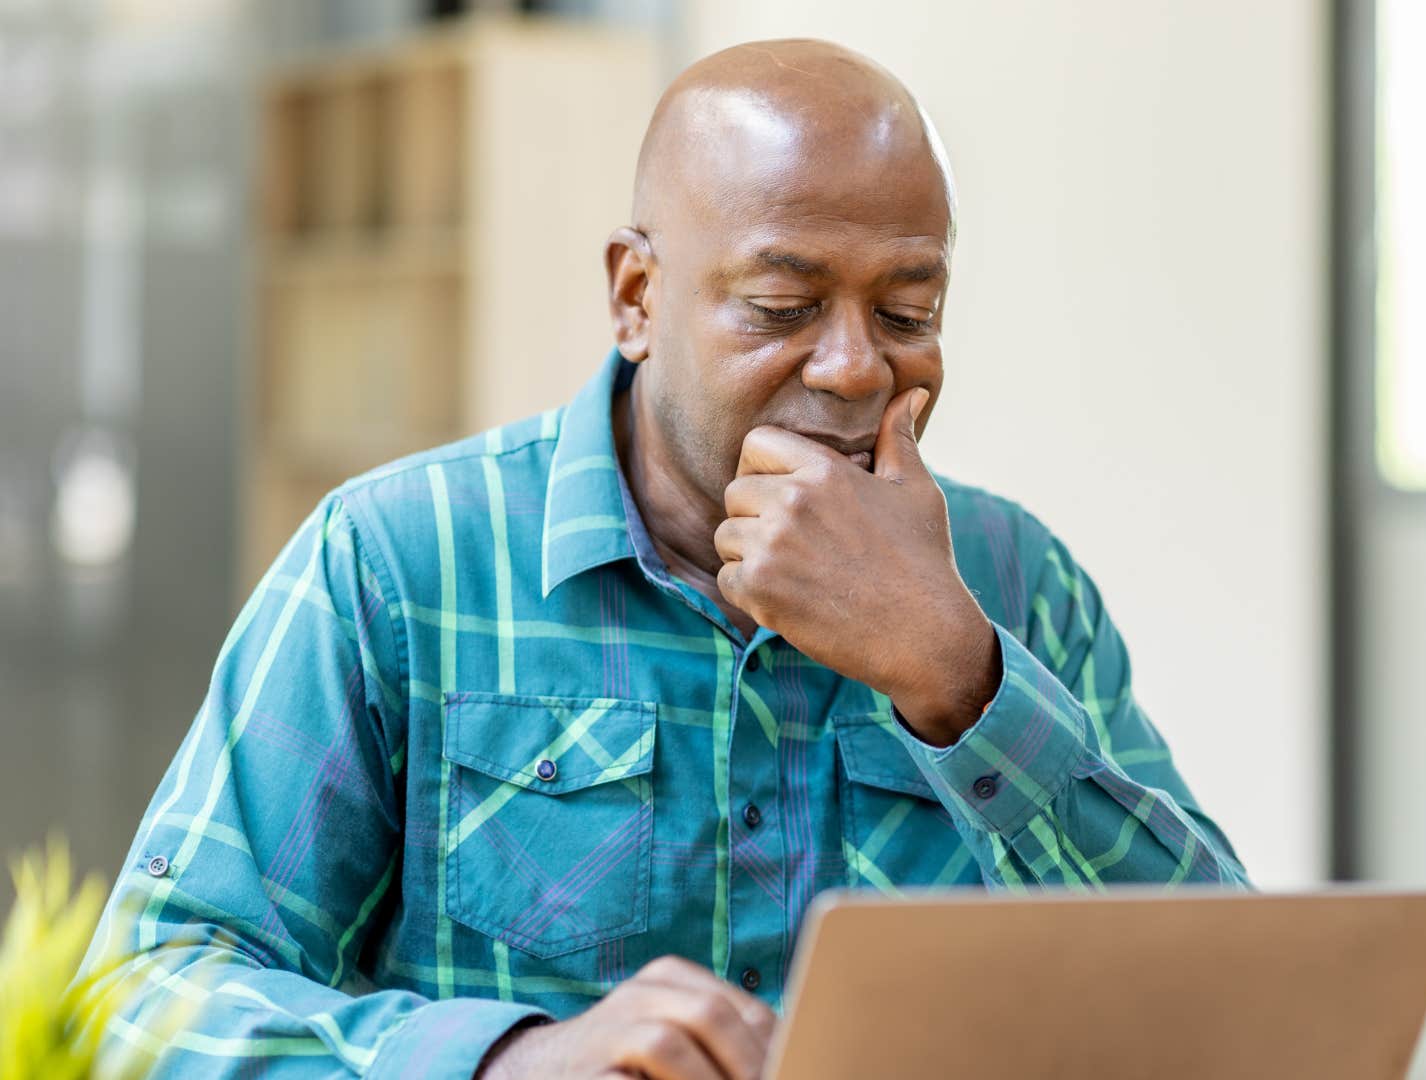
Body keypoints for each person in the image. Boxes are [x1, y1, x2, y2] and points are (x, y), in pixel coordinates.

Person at [84, 38, 1247, 1080]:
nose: (855, 368)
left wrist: (958, 675)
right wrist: (506, 1064)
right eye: (785, 304)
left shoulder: (1016, 583)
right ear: (636, 297)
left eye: (906, 314)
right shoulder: (399, 564)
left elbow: (1230, 1004)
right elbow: (140, 994)